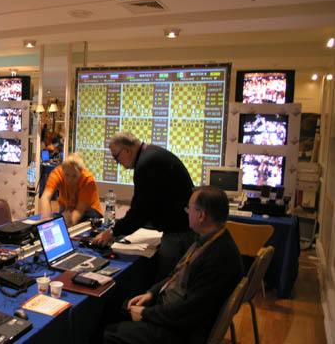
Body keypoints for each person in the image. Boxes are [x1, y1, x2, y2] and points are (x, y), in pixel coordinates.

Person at [103, 186, 243, 344]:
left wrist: (145, 314)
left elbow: (189, 311)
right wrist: (152, 293)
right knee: (111, 307)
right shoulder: (209, 239)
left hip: (180, 331)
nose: (186, 212)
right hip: (172, 313)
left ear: (201, 215)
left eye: (189, 209)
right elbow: (177, 274)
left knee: (108, 334)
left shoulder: (219, 257)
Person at [93, 131, 194, 280]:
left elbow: (140, 211)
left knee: (166, 282)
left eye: (116, 157)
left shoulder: (146, 164)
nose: (116, 162)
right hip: (183, 229)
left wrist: (112, 233)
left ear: (127, 150)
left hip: (178, 234)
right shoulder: (151, 154)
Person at [41, 153, 103, 226]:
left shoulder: (88, 179)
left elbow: (79, 210)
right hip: (67, 206)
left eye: (74, 176)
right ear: (63, 170)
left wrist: (68, 225)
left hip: (89, 211)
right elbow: (45, 197)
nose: (70, 179)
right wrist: (46, 222)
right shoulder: (57, 173)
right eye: (67, 175)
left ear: (81, 172)